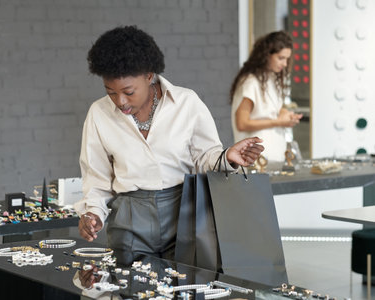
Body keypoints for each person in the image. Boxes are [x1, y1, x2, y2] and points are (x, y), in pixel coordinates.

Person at [74, 25, 264, 263]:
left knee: (185, 287)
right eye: (111, 92)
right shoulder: (98, 114)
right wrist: (93, 214)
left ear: (149, 75)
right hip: (129, 220)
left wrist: (227, 157)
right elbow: (96, 178)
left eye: (129, 91)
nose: (120, 101)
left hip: (184, 213)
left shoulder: (187, 103)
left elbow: (206, 156)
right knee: (132, 288)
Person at [230, 31, 302, 162]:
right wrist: (279, 122)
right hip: (255, 162)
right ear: (266, 55)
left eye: (287, 59)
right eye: (281, 58)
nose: (285, 64)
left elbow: (270, 110)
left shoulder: (272, 80)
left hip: (275, 158)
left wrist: (286, 114)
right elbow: (242, 123)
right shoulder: (250, 82)